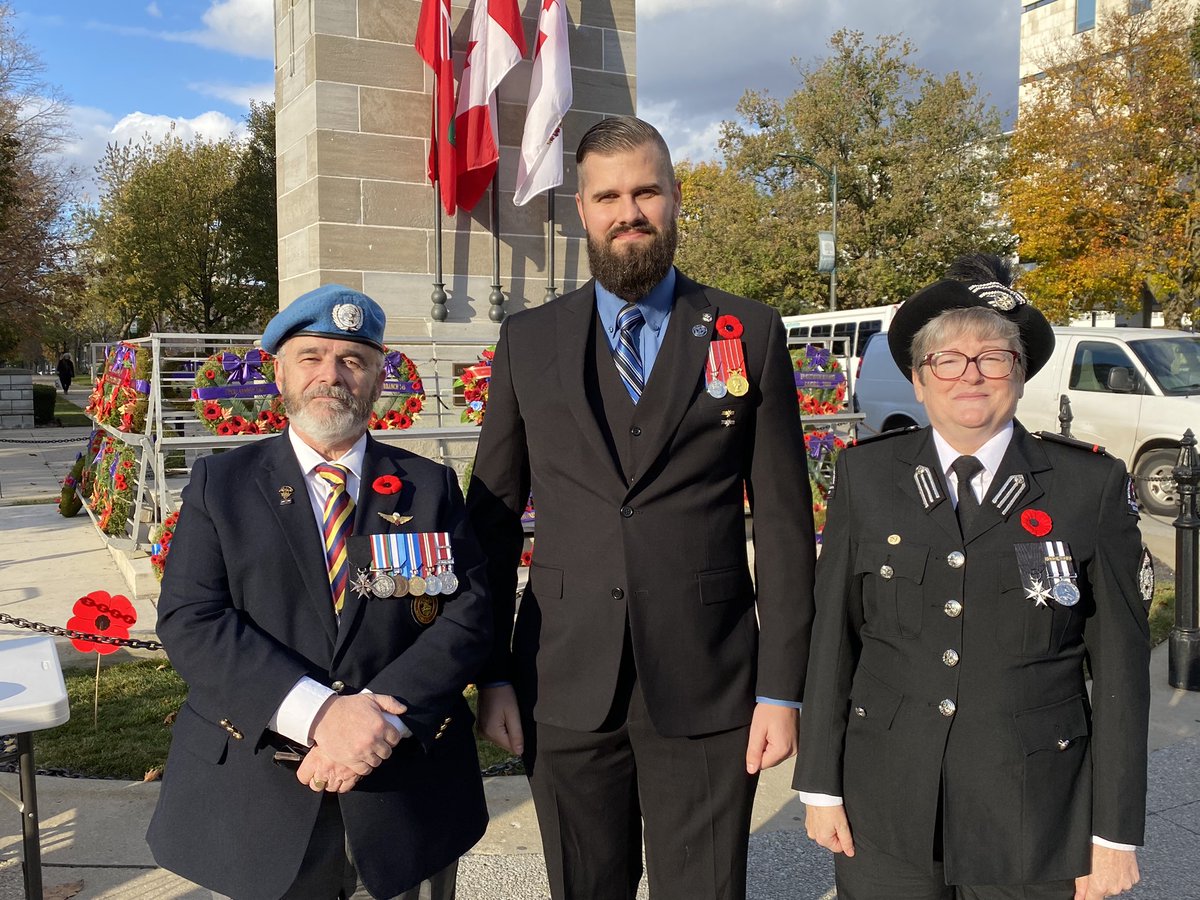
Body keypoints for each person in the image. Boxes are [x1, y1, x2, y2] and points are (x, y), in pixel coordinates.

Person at [466, 116, 816, 900]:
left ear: (676, 199)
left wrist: (781, 689)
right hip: (560, 679)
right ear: (581, 211)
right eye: (609, 196)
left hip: (709, 678)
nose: (629, 211)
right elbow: (490, 518)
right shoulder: (528, 341)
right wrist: (491, 674)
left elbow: (789, 529)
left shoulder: (747, 332)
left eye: (646, 191)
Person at [794, 255, 1152, 900]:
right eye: (947, 360)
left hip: (1034, 811)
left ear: (1019, 374)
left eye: (993, 357)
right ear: (917, 379)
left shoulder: (1086, 487)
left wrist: (1114, 834)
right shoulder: (866, 478)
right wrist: (820, 785)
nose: (971, 375)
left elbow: (1123, 669)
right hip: (887, 802)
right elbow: (833, 639)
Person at [147, 284, 492, 900]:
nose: (331, 375)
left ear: (379, 376)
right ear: (278, 370)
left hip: (405, 782)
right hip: (261, 795)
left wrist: (372, 725)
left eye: (353, 360)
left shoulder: (429, 487)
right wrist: (323, 714)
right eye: (311, 356)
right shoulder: (220, 484)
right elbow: (192, 619)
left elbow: (467, 613)